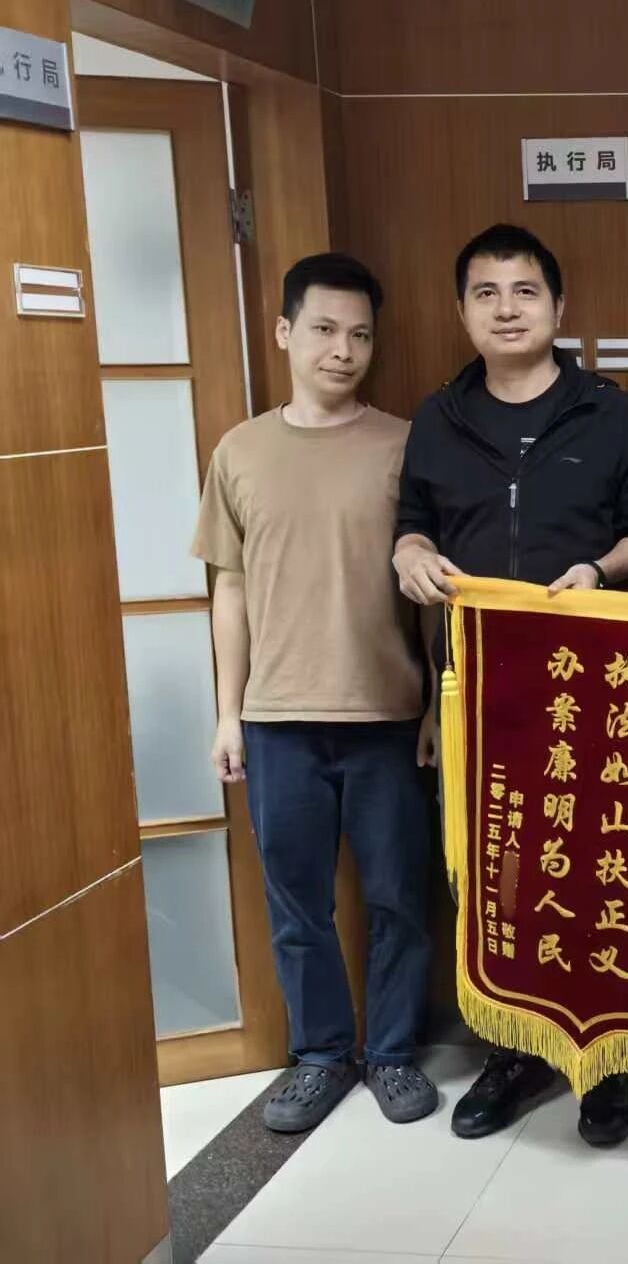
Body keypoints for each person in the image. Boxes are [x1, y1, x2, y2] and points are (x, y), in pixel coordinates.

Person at [393, 223, 628, 1147]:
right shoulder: (438, 419)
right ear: (461, 310)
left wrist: (600, 567)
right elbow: (412, 524)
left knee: (600, 866)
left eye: (524, 291)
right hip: (479, 691)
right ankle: (512, 1052)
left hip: (594, 688)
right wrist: (410, 551)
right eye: (486, 292)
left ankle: (604, 1060)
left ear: (559, 306)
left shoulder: (611, 414)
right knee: (494, 872)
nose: (506, 309)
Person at [194, 253, 437, 1133]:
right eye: (326, 330)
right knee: (297, 903)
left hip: (388, 716)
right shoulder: (240, 450)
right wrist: (228, 712)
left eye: (360, 334)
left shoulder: (406, 444)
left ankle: (394, 1052)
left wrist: (436, 706)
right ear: (285, 332)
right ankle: (321, 1055)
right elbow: (229, 588)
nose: (343, 350)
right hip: (276, 721)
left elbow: (433, 594)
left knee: (399, 897)